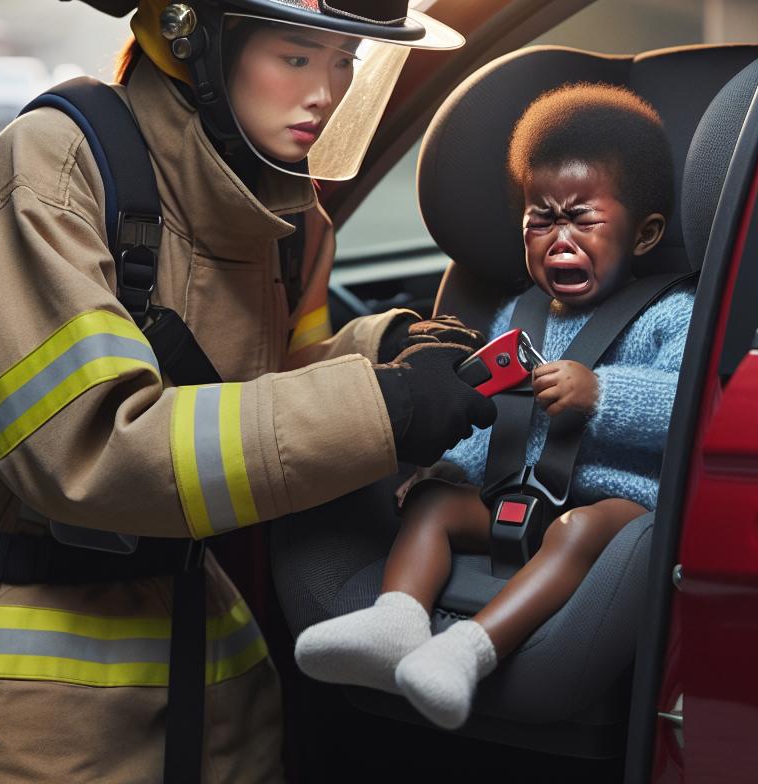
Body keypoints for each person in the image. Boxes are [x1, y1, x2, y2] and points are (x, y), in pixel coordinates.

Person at [0, 0, 496, 784]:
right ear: (188, 33)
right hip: (24, 716)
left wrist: (386, 354)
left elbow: (266, 396)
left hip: (212, 696)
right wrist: (384, 409)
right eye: (297, 55)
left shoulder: (289, 220)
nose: (327, 94)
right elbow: (97, 450)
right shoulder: (53, 172)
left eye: (344, 63)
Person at [294, 81, 696, 730]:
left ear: (645, 233)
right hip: (515, 494)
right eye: (542, 218)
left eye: (582, 219)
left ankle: (468, 649)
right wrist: (451, 467)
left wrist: (602, 394)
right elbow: (494, 411)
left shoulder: (668, 316)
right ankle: (396, 621)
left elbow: (687, 406)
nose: (559, 239)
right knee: (432, 504)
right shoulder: (519, 313)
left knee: (584, 531)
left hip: (608, 505)